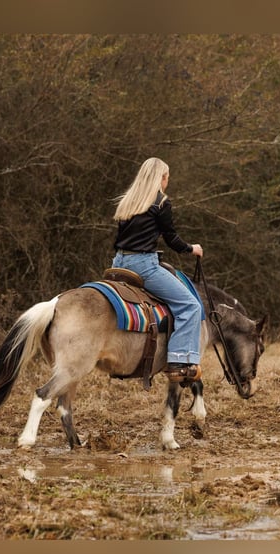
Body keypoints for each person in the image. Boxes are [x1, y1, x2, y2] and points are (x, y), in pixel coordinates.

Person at [112, 157, 204, 384]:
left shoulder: (127, 201)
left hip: (118, 263)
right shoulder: (161, 202)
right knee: (190, 306)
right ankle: (179, 361)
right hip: (144, 266)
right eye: (167, 178)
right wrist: (192, 248)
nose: (167, 183)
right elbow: (171, 238)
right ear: (161, 178)